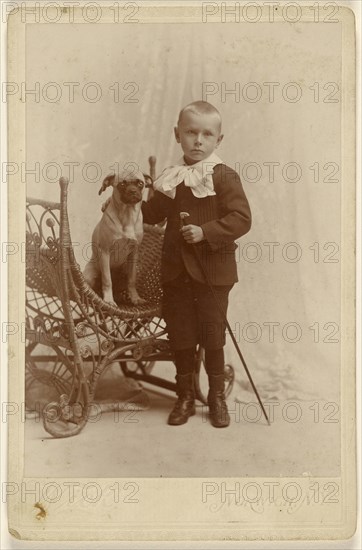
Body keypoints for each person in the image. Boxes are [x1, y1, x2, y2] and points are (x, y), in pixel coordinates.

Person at [142, 100, 252, 428]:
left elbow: (242, 219)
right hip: (176, 273)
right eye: (191, 133)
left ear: (219, 140)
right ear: (178, 135)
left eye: (207, 134)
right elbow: (152, 215)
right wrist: (128, 200)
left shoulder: (224, 176)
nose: (198, 141)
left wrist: (205, 231)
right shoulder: (171, 177)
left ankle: (215, 397)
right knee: (182, 335)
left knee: (212, 335)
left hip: (213, 273)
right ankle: (185, 396)